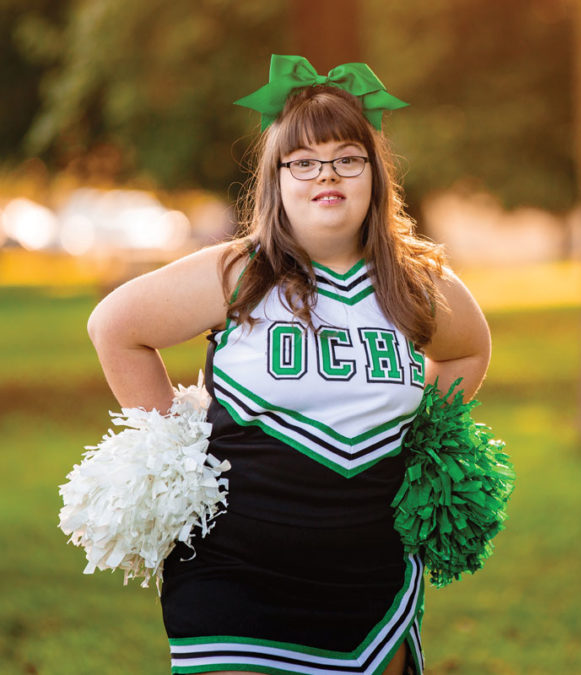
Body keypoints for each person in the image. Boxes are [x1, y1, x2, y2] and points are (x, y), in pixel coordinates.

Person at [87, 56, 491, 675]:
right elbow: (116, 328)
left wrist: (423, 438)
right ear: (277, 179)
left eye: (347, 157)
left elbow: (468, 349)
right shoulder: (238, 272)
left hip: (372, 584)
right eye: (302, 161)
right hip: (235, 581)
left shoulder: (419, 284)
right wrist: (175, 449)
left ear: (374, 175)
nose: (326, 174)